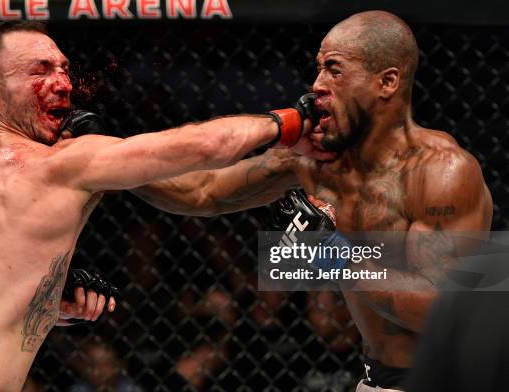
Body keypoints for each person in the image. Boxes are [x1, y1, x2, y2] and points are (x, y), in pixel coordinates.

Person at [0, 21, 310, 392]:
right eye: (39, 71)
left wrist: (47, 300)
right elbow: (208, 150)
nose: (62, 83)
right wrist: (294, 121)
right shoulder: (64, 162)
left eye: (63, 69)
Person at [131, 10, 493, 391]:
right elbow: (202, 191)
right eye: (319, 69)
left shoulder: (441, 171)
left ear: (387, 81)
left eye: (334, 70)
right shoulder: (315, 160)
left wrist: (331, 252)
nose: (317, 84)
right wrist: (101, 164)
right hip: (379, 378)